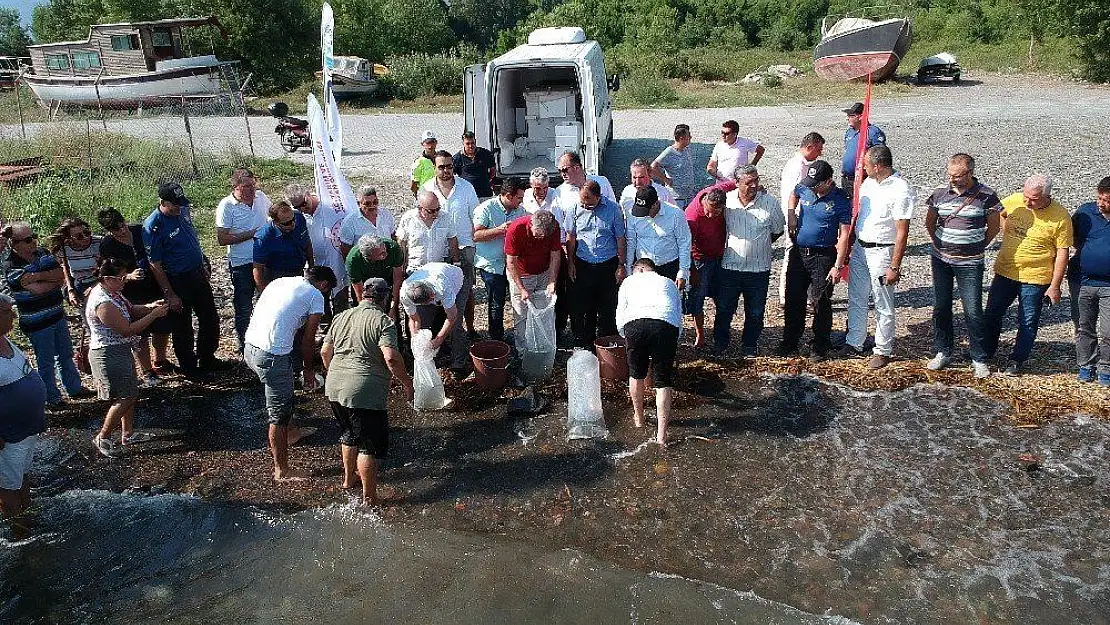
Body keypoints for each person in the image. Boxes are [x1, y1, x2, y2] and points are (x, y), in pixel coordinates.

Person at [321, 277, 413, 505]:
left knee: (349, 433)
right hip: (364, 390)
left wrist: (335, 374)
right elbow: (391, 357)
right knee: (368, 446)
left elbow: (325, 352)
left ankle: (348, 479)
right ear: (385, 298)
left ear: (362, 294)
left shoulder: (341, 316)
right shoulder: (383, 322)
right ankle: (369, 499)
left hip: (334, 385)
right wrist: (407, 383)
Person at [244, 266, 337, 482]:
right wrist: (309, 370)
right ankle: (282, 471)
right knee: (278, 414)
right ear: (324, 285)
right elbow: (307, 340)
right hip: (271, 356)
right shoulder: (315, 296)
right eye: (326, 290)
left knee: (284, 394)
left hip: (250, 348)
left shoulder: (281, 281)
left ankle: (292, 432)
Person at [981, 174, 1073, 375]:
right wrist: (1006, 231)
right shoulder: (1015, 200)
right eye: (1026, 196)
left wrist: (1055, 286)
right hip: (1006, 270)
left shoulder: (1060, 216)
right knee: (992, 313)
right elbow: (997, 212)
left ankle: (1017, 359)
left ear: (1047, 196)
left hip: (1036, 277)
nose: (1027, 202)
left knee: (1028, 320)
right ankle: (985, 352)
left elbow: (1062, 252)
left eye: (1034, 199)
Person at [923, 154, 1001, 378]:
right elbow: (930, 222)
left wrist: (976, 246)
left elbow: (994, 228)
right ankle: (943, 351)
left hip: (970, 263)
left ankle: (979, 357)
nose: (953, 179)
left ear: (970, 173)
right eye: (950, 175)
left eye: (958, 176)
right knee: (941, 306)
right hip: (941, 259)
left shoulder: (986, 195)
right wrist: (939, 243)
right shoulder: (939, 193)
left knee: (973, 310)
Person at [85, 257, 171, 457]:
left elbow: (131, 310)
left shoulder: (113, 293)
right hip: (108, 354)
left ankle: (128, 433)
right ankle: (103, 436)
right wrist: (154, 315)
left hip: (120, 351)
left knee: (129, 393)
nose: (125, 281)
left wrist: (149, 306)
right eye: (121, 278)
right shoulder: (103, 302)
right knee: (125, 397)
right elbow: (127, 329)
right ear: (107, 278)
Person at [144, 183, 228, 378]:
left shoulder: (183, 210)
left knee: (209, 316)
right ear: (162, 202)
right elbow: (155, 264)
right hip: (176, 278)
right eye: (174, 205)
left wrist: (203, 261)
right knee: (183, 324)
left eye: (180, 204)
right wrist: (169, 293)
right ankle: (189, 366)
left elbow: (193, 239)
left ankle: (207, 357)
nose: (178, 208)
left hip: (196, 272)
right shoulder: (153, 226)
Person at [2, 221, 89, 406]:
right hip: (37, 323)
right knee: (46, 361)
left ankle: (74, 388)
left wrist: (37, 277)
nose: (33, 242)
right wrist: (48, 280)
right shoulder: (11, 265)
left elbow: (60, 276)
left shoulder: (42, 253)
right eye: (27, 240)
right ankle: (52, 396)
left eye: (33, 237)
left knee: (65, 354)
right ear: (15, 243)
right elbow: (39, 290)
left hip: (56, 314)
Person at [843, 146, 914, 370]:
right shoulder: (868, 183)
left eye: (865, 164)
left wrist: (895, 265)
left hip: (883, 251)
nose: (862, 168)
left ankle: (883, 349)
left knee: (882, 301)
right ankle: (854, 340)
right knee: (857, 296)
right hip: (861, 249)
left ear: (878, 166)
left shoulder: (901, 189)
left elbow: (902, 231)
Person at [780, 161, 852, 362]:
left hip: (823, 256)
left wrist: (838, 266)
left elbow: (844, 235)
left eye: (815, 185)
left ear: (828, 181)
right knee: (794, 298)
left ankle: (820, 344)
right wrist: (791, 214)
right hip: (799, 252)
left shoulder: (840, 200)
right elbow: (794, 194)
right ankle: (790, 341)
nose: (810, 187)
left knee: (820, 301)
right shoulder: (805, 187)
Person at [97, 207, 173, 384]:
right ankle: (147, 371)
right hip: (131, 291)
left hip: (153, 285)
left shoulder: (140, 230)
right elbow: (109, 273)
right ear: (109, 231)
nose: (122, 230)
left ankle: (160, 360)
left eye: (123, 225)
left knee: (162, 325)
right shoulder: (108, 245)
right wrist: (129, 277)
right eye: (116, 229)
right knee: (141, 333)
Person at [716, 165, 785, 357]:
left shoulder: (770, 203)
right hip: (730, 266)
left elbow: (778, 229)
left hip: (758, 269)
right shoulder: (727, 202)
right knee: (724, 309)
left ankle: (749, 344)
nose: (754, 185)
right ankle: (720, 344)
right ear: (737, 183)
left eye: (756, 180)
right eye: (749, 182)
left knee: (755, 312)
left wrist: (759, 244)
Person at [616, 258, 682, 446]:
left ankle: (639, 418)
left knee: (636, 374)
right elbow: (678, 315)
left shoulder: (629, 281)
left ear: (640, 269)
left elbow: (620, 313)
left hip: (635, 324)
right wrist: (672, 340)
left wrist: (625, 335)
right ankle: (661, 436)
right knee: (662, 381)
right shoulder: (669, 282)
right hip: (665, 324)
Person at [0, 292, 47, 539]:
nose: (14, 316)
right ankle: (19, 533)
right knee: (8, 486)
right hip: (8, 436)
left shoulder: (7, 342)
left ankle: (26, 517)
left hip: (27, 430)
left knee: (22, 477)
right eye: (7, 312)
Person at [424, 150, 481, 337]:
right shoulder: (427, 189)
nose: (446, 170)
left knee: (467, 290)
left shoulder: (467, 188)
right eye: (441, 167)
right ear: (435, 168)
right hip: (439, 249)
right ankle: (445, 332)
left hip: (465, 246)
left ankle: (470, 328)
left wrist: (476, 243)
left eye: (449, 166)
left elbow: (476, 216)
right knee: (439, 290)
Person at [566, 180, 627, 348]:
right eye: (583, 202)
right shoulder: (574, 209)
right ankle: (585, 343)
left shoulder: (613, 209)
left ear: (599, 197)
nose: (585, 206)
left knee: (608, 306)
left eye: (589, 203)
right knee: (583, 306)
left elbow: (620, 238)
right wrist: (570, 263)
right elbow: (570, 238)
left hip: (607, 264)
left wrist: (621, 265)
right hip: (583, 263)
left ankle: (607, 342)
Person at [215, 168, 271, 352]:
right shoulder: (227, 206)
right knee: (244, 305)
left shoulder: (261, 197)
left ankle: (267, 339)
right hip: (242, 264)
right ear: (236, 187)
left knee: (268, 299)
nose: (252, 189)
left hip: (264, 260)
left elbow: (272, 214)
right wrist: (252, 234)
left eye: (253, 184)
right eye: (247, 186)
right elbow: (222, 238)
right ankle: (244, 344)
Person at [473, 178, 529, 341]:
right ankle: (496, 339)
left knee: (516, 301)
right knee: (497, 304)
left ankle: (519, 335)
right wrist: (500, 230)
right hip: (492, 265)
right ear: (509, 196)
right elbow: (476, 236)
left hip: (513, 265)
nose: (521, 201)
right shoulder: (485, 209)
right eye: (519, 198)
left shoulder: (521, 211)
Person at [285, 183, 350, 317]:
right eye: (296, 207)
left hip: (336, 261)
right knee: (319, 302)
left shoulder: (330, 206)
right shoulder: (297, 216)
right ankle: (325, 325)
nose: (302, 209)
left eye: (304, 203)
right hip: (316, 264)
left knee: (340, 300)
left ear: (309, 194)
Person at [777, 132, 826, 305]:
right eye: (818, 149)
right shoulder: (796, 166)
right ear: (810, 147)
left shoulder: (804, 164)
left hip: (803, 218)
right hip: (796, 218)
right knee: (792, 255)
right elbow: (792, 195)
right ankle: (786, 295)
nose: (820, 153)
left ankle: (801, 295)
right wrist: (793, 219)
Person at [523, 167, 572, 337]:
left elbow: (562, 225)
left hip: (553, 247)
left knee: (556, 288)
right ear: (531, 185)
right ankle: (534, 327)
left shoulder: (556, 197)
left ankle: (557, 328)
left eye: (545, 188)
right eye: (538, 188)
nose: (542, 192)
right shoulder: (525, 197)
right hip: (531, 249)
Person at [1072, 177, 1110, 384]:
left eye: (1106, 200)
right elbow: (1072, 238)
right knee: (1083, 325)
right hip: (1083, 280)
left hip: (1109, 285)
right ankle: (1086, 364)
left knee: (1108, 330)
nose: (1101, 203)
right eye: (1099, 198)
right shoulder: (1085, 212)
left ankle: (1106, 367)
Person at [400, 262, 468, 373]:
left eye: (430, 301)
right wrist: (415, 339)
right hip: (431, 275)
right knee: (424, 323)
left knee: (456, 326)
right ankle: (433, 359)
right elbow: (414, 319)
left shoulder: (442, 286)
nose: (430, 303)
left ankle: (459, 362)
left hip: (456, 279)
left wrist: (439, 339)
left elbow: (452, 317)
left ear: (431, 295)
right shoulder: (405, 293)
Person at [505, 210, 562, 339]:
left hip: (543, 271)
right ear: (531, 224)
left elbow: (555, 255)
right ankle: (523, 351)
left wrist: (552, 281)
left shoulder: (554, 227)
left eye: (545, 236)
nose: (541, 238)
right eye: (538, 235)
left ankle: (542, 346)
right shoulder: (516, 229)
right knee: (521, 314)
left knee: (543, 312)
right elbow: (511, 261)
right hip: (521, 274)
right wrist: (522, 289)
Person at [685, 188, 727, 349]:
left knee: (722, 296)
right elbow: (686, 245)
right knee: (697, 298)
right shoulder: (693, 216)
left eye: (715, 213)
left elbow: (732, 183)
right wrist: (692, 270)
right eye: (708, 211)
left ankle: (721, 332)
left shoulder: (720, 195)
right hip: (699, 259)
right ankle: (700, 334)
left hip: (719, 256)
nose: (710, 216)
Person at [625, 186, 692, 286]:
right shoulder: (632, 214)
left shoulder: (676, 214)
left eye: (646, 211)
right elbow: (631, 242)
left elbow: (684, 243)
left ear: (656, 204)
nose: (644, 215)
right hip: (643, 269)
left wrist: (683, 272)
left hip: (669, 268)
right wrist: (629, 269)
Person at [253, 200, 314, 291]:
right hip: (277, 276)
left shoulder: (299, 218)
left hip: (299, 270)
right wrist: (263, 292)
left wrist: (311, 266)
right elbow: (257, 268)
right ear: (276, 222)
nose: (292, 224)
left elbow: (307, 242)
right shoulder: (264, 237)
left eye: (293, 220)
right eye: (287, 223)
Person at [396, 191, 460, 273]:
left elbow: (452, 240)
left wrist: (456, 263)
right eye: (431, 211)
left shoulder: (446, 217)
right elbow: (401, 243)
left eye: (438, 209)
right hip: (415, 269)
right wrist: (401, 267)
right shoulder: (408, 218)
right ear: (420, 208)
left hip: (438, 269)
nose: (436, 213)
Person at [346, 234, 404, 319]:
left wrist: (394, 307)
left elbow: (398, 279)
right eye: (381, 254)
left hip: (386, 282)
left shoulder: (393, 248)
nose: (386, 254)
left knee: (391, 314)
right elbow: (360, 292)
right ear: (369, 257)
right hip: (365, 285)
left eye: (384, 249)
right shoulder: (353, 260)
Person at [48, 217, 101, 306]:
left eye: (87, 233)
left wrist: (94, 287)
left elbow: (107, 269)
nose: (85, 237)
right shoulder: (65, 248)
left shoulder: (99, 242)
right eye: (79, 236)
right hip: (80, 285)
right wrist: (70, 290)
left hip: (100, 283)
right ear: (69, 237)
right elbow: (66, 268)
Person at [338, 186, 397, 258]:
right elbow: (345, 249)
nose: (372, 206)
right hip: (365, 264)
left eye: (375, 202)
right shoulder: (349, 222)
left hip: (387, 261)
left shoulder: (386, 214)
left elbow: (393, 236)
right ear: (359, 204)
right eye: (367, 203)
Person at [651, 124, 699, 208]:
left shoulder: (686, 148)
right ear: (681, 138)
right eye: (689, 136)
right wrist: (665, 179)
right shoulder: (669, 152)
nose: (691, 137)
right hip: (676, 198)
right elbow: (652, 167)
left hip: (689, 196)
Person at [841, 102, 886, 190]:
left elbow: (880, 156)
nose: (848, 119)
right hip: (847, 179)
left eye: (851, 116)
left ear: (861, 117)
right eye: (848, 116)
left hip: (863, 179)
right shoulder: (849, 132)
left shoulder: (873, 132)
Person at [453, 130, 497, 199]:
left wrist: (487, 180)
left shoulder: (485, 153)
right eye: (467, 143)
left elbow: (493, 170)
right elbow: (453, 176)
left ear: (475, 142)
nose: (471, 146)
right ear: (463, 143)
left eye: (472, 143)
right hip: (467, 195)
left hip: (485, 193)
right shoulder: (457, 158)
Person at [410, 130, 438, 195]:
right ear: (422, 144)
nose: (430, 145)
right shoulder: (418, 162)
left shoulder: (440, 158)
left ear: (436, 143)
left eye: (432, 142)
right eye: (427, 143)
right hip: (425, 195)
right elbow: (414, 184)